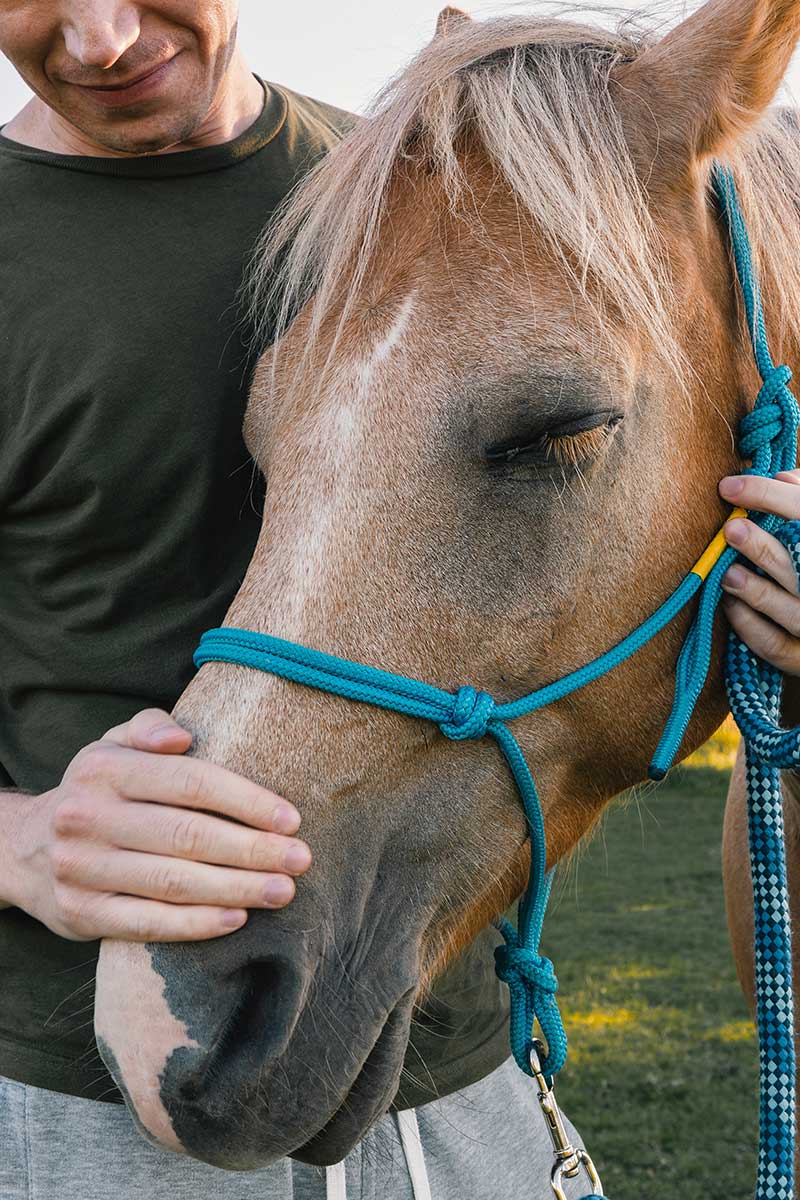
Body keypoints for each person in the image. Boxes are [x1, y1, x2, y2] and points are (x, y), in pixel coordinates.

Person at [0, 5, 797, 1200]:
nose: (103, 35)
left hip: (466, 1084)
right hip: (79, 1118)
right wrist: (17, 845)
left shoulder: (430, 172)